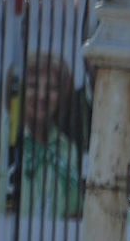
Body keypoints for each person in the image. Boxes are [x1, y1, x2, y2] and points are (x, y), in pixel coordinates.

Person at [9, 51, 85, 219]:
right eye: (33, 86)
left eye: (51, 88)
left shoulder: (69, 148)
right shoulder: (3, 144)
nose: (42, 96)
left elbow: (75, 212)